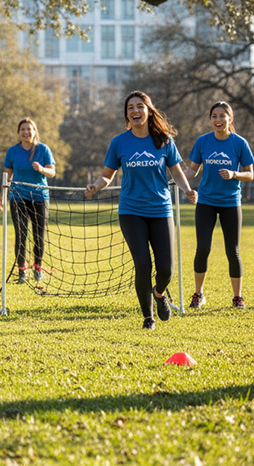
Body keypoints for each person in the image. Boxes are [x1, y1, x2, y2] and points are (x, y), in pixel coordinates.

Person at [85, 91, 197, 330]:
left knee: (166, 269)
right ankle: (148, 317)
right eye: (130, 108)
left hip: (161, 210)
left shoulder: (164, 140)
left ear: (148, 111)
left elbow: (176, 171)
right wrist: (95, 186)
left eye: (139, 106)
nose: (135, 111)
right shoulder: (119, 142)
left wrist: (188, 190)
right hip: (131, 211)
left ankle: (159, 293)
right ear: (126, 114)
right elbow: (107, 175)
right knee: (143, 264)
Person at [182, 102, 254, 309]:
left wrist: (234, 174)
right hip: (206, 202)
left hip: (230, 202)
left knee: (233, 251)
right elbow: (192, 170)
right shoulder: (202, 141)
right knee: (203, 248)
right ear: (210, 119)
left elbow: (250, 174)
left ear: (230, 119)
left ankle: (237, 297)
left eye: (222, 116)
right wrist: (174, 180)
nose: (218, 120)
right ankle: (198, 294)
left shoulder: (239, 143)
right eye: (214, 116)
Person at [0, 118, 56, 284]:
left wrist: (42, 169)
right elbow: (7, 176)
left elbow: (52, 172)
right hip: (18, 197)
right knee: (21, 234)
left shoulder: (43, 149)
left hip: (39, 198)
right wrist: (2, 195)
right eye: (23, 129)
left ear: (34, 131)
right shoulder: (12, 151)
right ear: (18, 132)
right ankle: (22, 272)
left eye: (29, 129)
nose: (26, 132)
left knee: (39, 236)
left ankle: (38, 269)